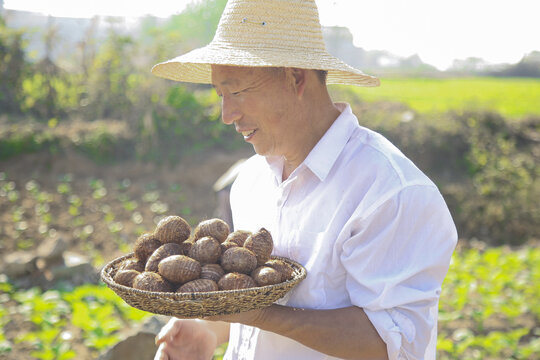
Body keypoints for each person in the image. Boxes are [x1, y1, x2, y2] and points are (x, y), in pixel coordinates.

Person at [151, 0, 457, 359]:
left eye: (236, 92)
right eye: (220, 95)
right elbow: (251, 304)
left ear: (296, 78)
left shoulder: (390, 191)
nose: (226, 114)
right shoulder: (250, 180)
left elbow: (395, 343)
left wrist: (265, 315)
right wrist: (207, 329)